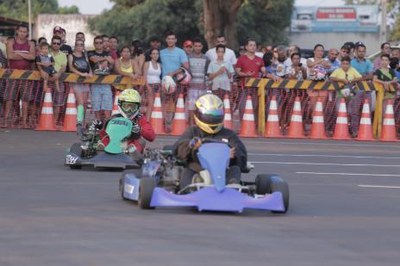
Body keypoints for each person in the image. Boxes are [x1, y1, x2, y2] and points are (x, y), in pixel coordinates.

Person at [173, 93, 247, 190]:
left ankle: (231, 188)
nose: (212, 118)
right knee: (188, 169)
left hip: (223, 171)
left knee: (235, 169)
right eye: (208, 115)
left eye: (216, 114)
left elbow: (242, 155)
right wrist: (192, 146)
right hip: (198, 168)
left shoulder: (228, 135)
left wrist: (234, 155)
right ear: (198, 114)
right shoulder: (193, 132)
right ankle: (188, 190)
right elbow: (178, 149)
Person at [98, 88, 155, 154]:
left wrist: (140, 129)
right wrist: (100, 127)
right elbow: (103, 134)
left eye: (132, 107)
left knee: (141, 141)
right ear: (120, 105)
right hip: (115, 142)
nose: (129, 110)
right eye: (126, 106)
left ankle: (132, 150)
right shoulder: (115, 118)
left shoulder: (140, 119)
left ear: (138, 107)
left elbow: (151, 136)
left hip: (131, 144)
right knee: (106, 138)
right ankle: (101, 148)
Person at [3, 24, 36, 128]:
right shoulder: (11, 41)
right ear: (17, 31)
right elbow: (10, 56)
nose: (23, 33)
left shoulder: (30, 43)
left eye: (25, 32)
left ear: (27, 33)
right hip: (12, 74)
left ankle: (24, 122)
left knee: (25, 99)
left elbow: (32, 57)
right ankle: (6, 121)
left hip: (26, 74)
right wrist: (25, 55)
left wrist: (19, 53)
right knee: (9, 98)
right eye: (21, 31)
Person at [160, 30, 189, 132]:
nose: (170, 40)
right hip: (164, 82)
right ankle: (163, 124)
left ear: (176, 40)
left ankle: (173, 125)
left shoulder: (181, 52)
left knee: (177, 104)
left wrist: (174, 73)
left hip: (177, 82)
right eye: (169, 39)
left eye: (172, 39)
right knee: (163, 103)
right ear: (166, 40)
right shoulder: (161, 52)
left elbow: (186, 67)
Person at [329, 56, 363, 137]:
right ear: (341, 64)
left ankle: (353, 130)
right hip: (340, 93)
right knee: (338, 111)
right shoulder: (338, 70)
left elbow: (360, 77)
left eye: (347, 64)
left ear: (349, 64)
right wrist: (342, 80)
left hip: (351, 93)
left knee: (351, 112)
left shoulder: (352, 70)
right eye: (343, 64)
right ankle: (336, 130)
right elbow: (331, 77)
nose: (345, 65)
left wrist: (351, 80)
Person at [87, 35, 114, 121]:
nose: (98, 44)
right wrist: (105, 59)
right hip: (95, 83)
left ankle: (106, 125)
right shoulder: (90, 52)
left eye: (100, 42)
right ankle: (98, 123)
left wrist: (105, 59)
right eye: (96, 43)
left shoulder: (107, 53)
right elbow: (93, 59)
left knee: (107, 106)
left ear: (103, 44)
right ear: (94, 44)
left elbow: (112, 62)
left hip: (106, 83)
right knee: (96, 106)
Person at [68, 39, 92, 132]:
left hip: (85, 81)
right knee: (80, 103)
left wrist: (90, 73)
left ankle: (83, 121)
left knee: (85, 103)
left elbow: (88, 66)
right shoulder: (71, 55)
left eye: (81, 45)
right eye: (77, 45)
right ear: (75, 45)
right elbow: (71, 67)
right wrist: (81, 74)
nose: (79, 46)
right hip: (77, 81)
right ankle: (79, 122)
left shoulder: (84, 55)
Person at [187, 38, 209, 125]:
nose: (197, 48)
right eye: (195, 46)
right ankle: (192, 124)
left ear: (202, 47)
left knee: (201, 107)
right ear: (193, 47)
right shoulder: (188, 58)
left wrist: (207, 85)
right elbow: (186, 71)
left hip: (203, 87)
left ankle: (199, 124)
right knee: (191, 107)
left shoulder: (206, 58)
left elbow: (207, 73)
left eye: (199, 46)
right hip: (192, 87)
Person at [143, 48, 162, 121]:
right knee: (150, 104)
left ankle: (154, 122)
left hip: (158, 86)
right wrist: (147, 86)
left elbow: (159, 77)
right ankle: (147, 121)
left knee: (156, 104)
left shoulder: (159, 65)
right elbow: (145, 76)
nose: (155, 55)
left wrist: (161, 86)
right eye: (153, 54)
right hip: (149, 85)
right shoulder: (147, 64)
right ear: (150, 55)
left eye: (157, 54)